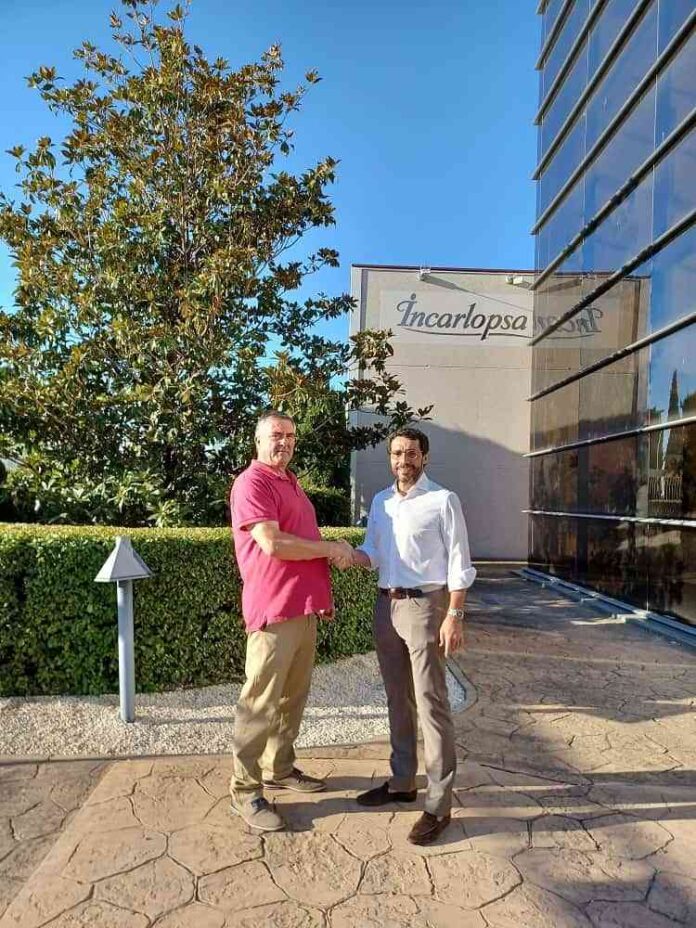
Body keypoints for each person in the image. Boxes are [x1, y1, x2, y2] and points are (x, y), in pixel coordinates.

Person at [350, 427, 476, 845]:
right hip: (385, 606)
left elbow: (459, 562)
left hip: (425, 607)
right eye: (396, 453)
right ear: (390, 458)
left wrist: (454, 615)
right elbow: (373, 552)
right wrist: (347, 554)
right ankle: (402, 782)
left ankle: (438, 805)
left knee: (431, 703)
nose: (403, 460)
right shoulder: (381, 502)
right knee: (396, 697)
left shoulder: (443, 500)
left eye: (411, 453)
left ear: (424, 457)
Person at [229, 410, 353, 832]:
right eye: (276, 435)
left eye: (291, 436)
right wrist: (330, 548)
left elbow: (301, 539)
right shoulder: (253, 483)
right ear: (258, 441)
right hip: (273, 609)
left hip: (303, 608)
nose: (284, 442)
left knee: (291, 699)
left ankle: (278, 768)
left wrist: (326, 571)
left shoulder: (290, 481)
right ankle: (244, 791)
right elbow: (273, 543)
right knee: (259, 702)